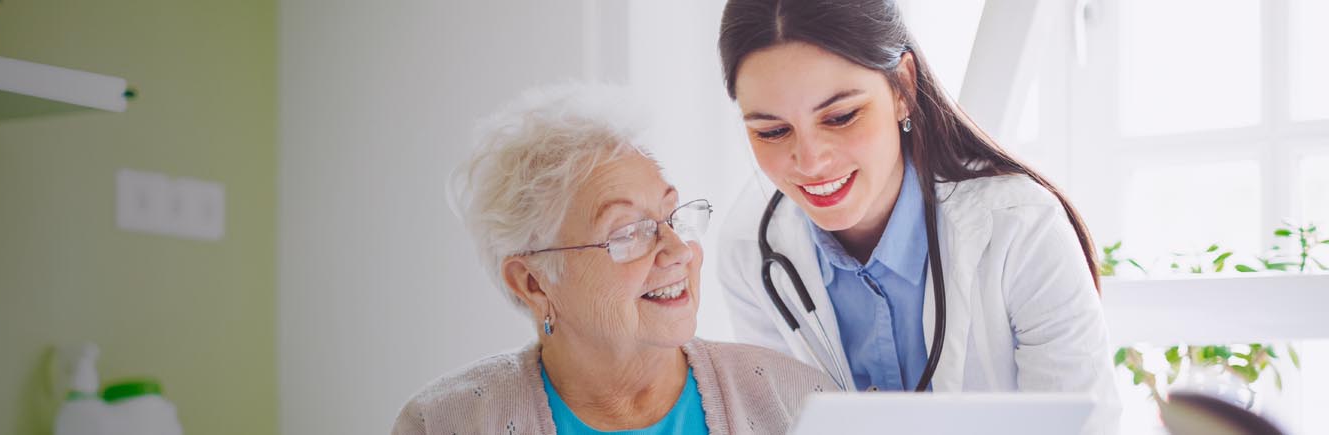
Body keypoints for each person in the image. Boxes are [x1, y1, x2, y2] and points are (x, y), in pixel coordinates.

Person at [713, 0, 1120, 431]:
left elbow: (1085, 427)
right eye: (772, 131)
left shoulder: (1022, 228)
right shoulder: (749, 253)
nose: (810, 162)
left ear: (903, 88)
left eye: (841, 116)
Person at [393, 85, 837, 435]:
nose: (678, 251)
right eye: (627, 233)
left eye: (672, 216)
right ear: (532, 283)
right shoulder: (443, 424)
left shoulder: (798, 403)